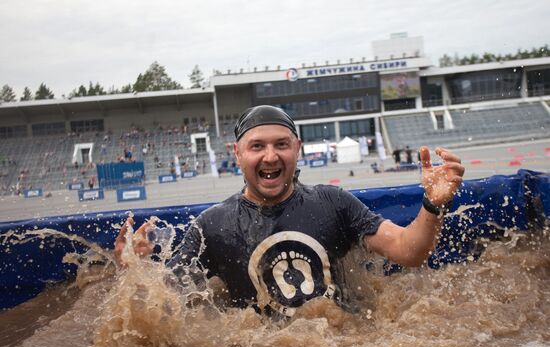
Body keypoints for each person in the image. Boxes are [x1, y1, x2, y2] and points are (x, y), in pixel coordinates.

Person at [115, 105, 464, 317]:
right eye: (257, 147)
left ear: (297, 149)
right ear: (237, 153)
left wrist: (432, 205)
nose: (270, 157)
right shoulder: (212, 227)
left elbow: (409, 251)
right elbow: (165, 306)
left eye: (281, 144)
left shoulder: (333, 203)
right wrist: (135, 270)